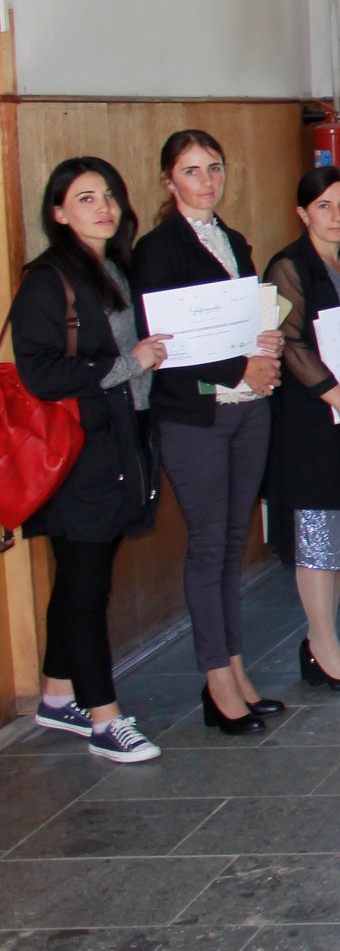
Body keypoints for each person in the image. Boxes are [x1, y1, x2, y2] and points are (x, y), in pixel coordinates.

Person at [132, 130, 287, 735]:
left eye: (214, 167)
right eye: (192, 170)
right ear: (169, 181)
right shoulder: (157, 249)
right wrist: (238, 367)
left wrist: (264, 344)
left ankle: (235, 668)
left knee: (231, 544)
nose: (206, 180)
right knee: (208, 545)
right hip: (195, 414)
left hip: (247, 407)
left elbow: (238, 322)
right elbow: (167, 346)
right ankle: (216, 679)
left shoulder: (234, 240)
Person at [14, 158, 166, 761]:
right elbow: (41, 372)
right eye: (85, 199)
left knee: (81, 578)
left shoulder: (115, 268)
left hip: (118, 443)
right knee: (85, 586)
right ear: (58, 213)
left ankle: (57, 696)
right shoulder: (48, 278)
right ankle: (105, 720)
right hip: (78, 453)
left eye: (108, 195)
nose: (103, 207)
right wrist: (132, 362)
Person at [263, 167, 340, 692]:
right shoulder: (288, 265)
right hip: (313, 420)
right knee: (317, 531)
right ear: (303, 213)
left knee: (338, 532)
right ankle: (322, 644)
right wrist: (338, 396)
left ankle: (323, 641)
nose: (336, 216)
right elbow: (288, 342)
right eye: (323, 206)